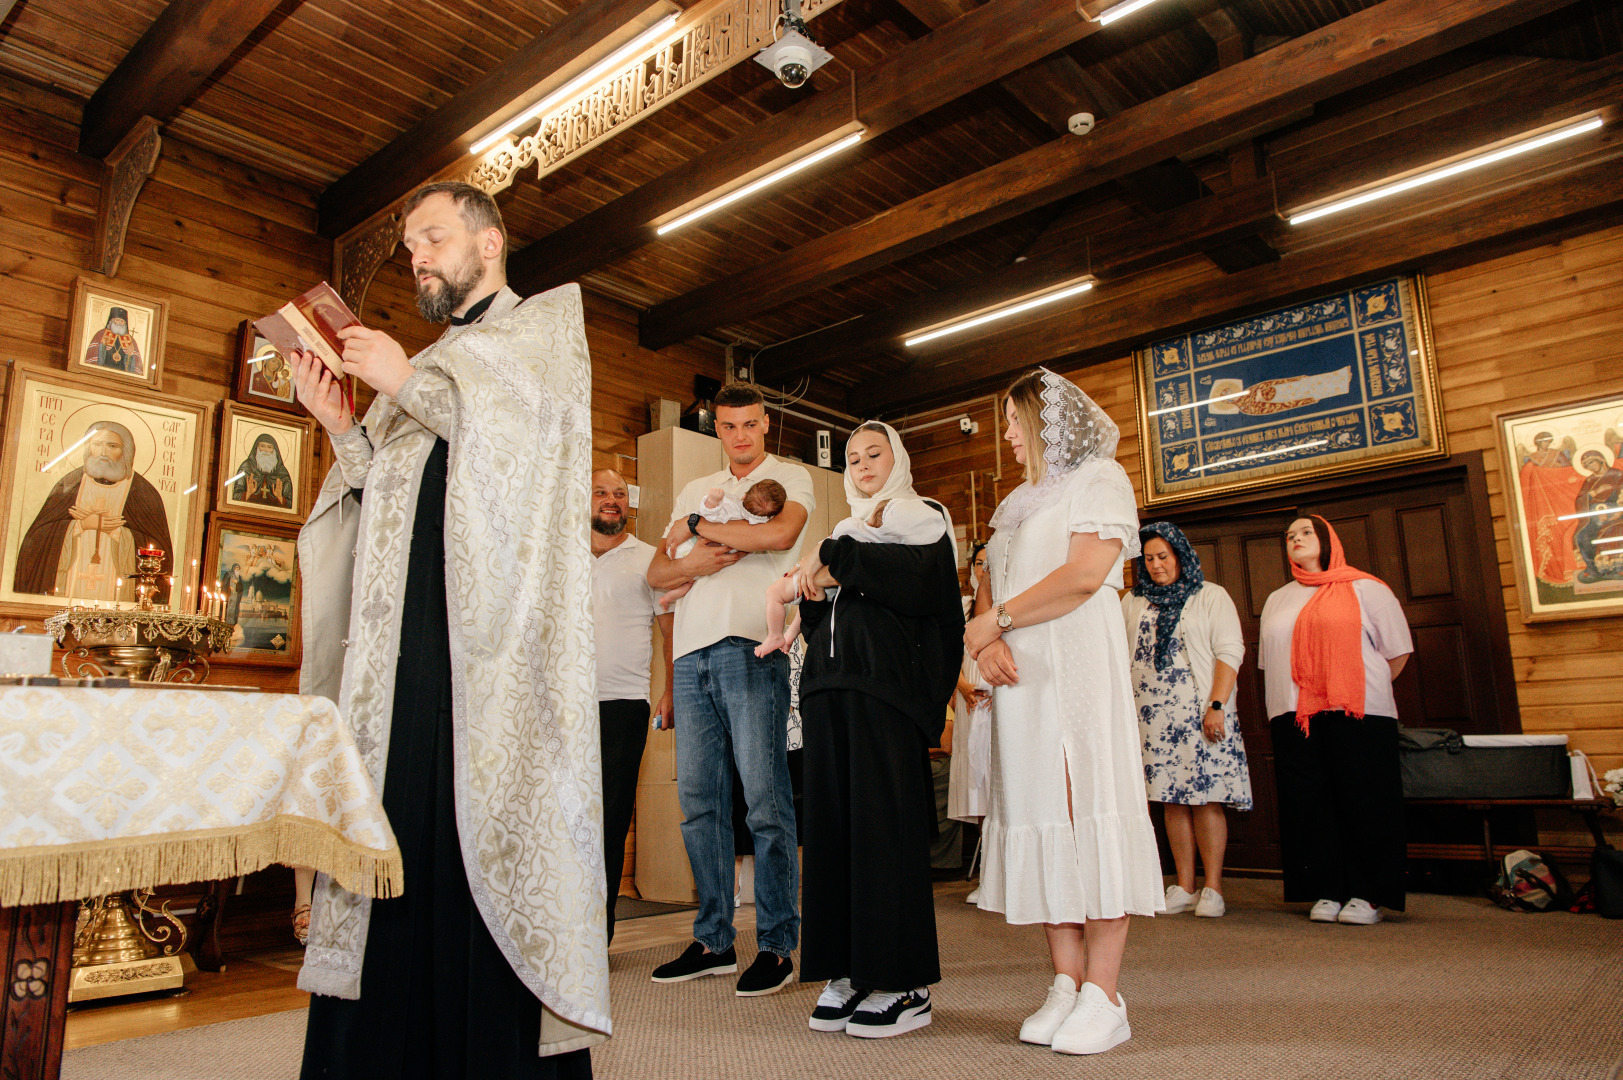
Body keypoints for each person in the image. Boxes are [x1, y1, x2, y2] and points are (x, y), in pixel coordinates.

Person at [291, 180, 603, 1078]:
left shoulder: (542, 331)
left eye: (432, 237)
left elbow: (524, 456)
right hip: (399, 664)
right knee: (392, 857)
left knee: (471, 864)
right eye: (409, 245)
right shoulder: (430, 359)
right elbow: (396, 494)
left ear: (489, 242)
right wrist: (345, 424)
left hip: (486, 663)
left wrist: (405, 379)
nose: (417, 256)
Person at [964, 368, 1161, 1057]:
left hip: (1075, 657)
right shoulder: (1016, 502)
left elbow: (1082, 574)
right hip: (1023, 671)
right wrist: (987, 645)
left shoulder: (1098, 479)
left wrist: (995, 621)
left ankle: (1106, 994)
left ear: (1048, 424)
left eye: (1015, 424)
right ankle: (1066, 982)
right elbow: (998, 588)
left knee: (1086, 808)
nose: (1010, 439)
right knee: (1041, 812)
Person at [791, 421, 962, 1038]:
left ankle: (903, 981)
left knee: (885, 832)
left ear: (899, 459)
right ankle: (848, 969)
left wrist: (832, 557)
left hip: (885, 696)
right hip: (829, 691)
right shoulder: (845, 528)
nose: (862, 465)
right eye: (853, 458)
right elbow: (816, 605)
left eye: (874, 454)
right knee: (835, 833)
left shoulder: (924, 516)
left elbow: (914, 589)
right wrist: (821, 573)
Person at [645, 382, 813, 997]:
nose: (740, 436)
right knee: (699, 804)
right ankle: (714, 939)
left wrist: (699, 530)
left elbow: (778, 537)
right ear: (717, 428)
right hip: (690, 656)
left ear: (766, 424)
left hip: (751, 647)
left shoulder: (789, 477)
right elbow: (657, 570)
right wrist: (699, 547)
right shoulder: (695, 491)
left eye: (750, 424)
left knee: (766, 803)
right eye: (728, 426)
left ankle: (776, 946)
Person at [1259, 515, 1413, 926]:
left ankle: (1369, 893)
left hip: (1358, 710)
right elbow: (1267, 661)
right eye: (1289, 535)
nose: (1296, 539)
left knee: (1364, 799)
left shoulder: (1368, 589)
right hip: (1293, 712)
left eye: (1306, 532)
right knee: (1308, 802)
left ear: (1329, 539)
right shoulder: (1278, 598)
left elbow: (1396, 653)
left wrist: (1352, 684)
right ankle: (1326, 889)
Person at [1121, 521, 1250, 919]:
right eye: (1149, 559)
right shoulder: (1133, 601)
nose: (1157, 565)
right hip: (1151, 717)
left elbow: (1230, 651)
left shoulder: (1210, 596)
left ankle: (1213, 887)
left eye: (1164, 556)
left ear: (1180, 556)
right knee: (1170, 800)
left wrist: (1217, 705)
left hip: (1199, 712)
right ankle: (1184, 885)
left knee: (1206, 798)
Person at [590, 468, 675, 943]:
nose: (611, 500)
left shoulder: (649, 560)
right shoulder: (560, 556)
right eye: (601, 492)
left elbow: (668, 628)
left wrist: (672, 690)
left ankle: (595, 936)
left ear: (630, 505)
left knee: (609, 817)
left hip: (622, 704)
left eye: (619, 494)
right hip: (563, 710)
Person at [756, 486, 947, 658]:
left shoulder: (855, 531)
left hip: (819, 583)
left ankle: (775, 635)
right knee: (808, 588)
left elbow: (830, 548)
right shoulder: (872, 544)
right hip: (819, 584)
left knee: (774, 593)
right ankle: (787, 634)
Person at [13, 420, 173, 602]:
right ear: (88, 448)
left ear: (126, 452)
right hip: (67, 587)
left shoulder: (143, 492)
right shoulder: (69, 484)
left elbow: (159, 548)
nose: (103, 452)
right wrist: (80, 525)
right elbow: (36, 539)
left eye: (112, 446)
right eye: (96, 444)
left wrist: (118, 532)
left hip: (119, 592)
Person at [658, 479, 787, 610]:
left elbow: (709, 515)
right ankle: (668, 597)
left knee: (689, 582)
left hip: (687, 548)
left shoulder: (731, 503)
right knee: (689, 583)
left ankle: (668, 597)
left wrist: (712, 502)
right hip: (693, 547)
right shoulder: (761, 524)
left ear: (744, 495)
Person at [948, 541, 992, 907]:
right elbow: (944, 654)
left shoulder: (1010, 600)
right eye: (979, 563)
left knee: (1002, 784)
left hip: (999, 700)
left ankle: (1010, 872)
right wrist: (960, 685)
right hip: (967, 701)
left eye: (990, 563)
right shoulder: (960, 607)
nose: (984, 569)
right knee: (978, 788)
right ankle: (989, 873)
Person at [233, 433, 295, 508]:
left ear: (275, 450)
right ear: (256, 448)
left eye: (269, 447)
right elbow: (234, 497)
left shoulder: (282, 473)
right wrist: (247, 494)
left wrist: (280, 498)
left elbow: (291, 505)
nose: (266, 451)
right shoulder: (246, 467)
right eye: (262, 446)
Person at [83, 306, 142, 374]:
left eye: (122, 321)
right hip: (102, 373)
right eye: (117, 320)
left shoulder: (131, 340)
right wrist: (102, 346)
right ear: (111, 321)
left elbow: (136, 366)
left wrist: (130, 355)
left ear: (125, 324)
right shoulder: (101, 334)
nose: (119, 323)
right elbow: (93, 356)